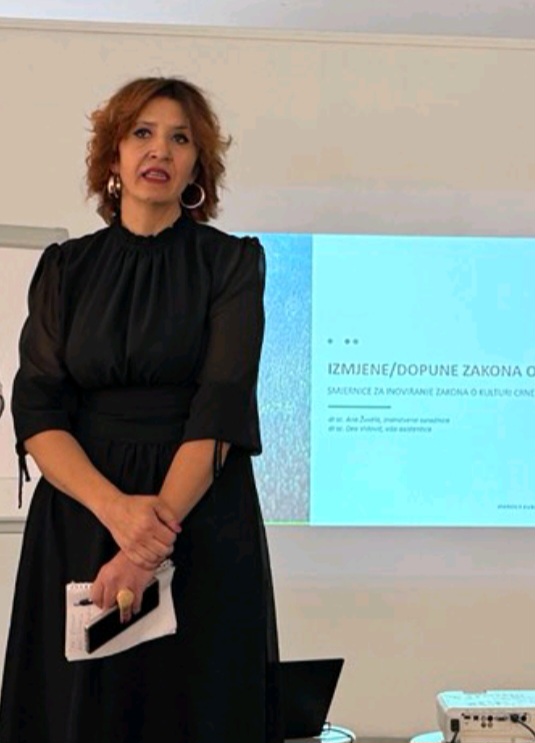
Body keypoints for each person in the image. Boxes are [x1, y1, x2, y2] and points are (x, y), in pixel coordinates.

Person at [0, 76, 283, 743]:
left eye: (180, 138)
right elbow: (37, 406)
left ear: (197, 164)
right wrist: (120, 515)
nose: (160, 150)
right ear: (113, 156)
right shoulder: (66, 268)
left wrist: (147, 543)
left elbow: (220, 404)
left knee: (193, 708)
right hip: (83, 516)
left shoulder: (231, 263)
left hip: (198, 517)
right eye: (142, 133)